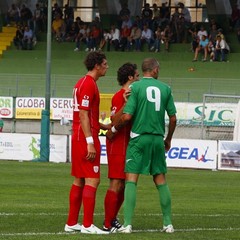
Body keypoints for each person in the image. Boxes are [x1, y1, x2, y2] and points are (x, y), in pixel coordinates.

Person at [106, 58, 177, 234]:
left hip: (138, 138)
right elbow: (173, 118)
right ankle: (167, 223)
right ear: (154, 70)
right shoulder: (166, 89)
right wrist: (168, 139)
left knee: (131, 180)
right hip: (157, 139)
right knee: (160, 180)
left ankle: (127, 224)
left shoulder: (135, 88)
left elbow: (128, 117)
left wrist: (114, 128)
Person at [64, 51, 109, 235]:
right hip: (85, 138)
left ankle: (72, 222)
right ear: (97, 66)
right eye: (105, 64)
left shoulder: (81, 83)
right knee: (93, 179)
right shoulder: (89, 84)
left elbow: (85, 115)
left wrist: (101, 125)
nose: (107, 67)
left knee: (79, 179)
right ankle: (88, 225)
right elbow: (83, 113)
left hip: (78, 135)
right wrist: (91, 141)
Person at [103, 63, 139, 232]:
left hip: (128, 143)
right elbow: (114, 122)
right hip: (117, 142)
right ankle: (107, 223)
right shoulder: (119, 96)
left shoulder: (133, 95)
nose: (139, 78)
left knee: (125, 184)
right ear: (130, 78)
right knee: (116, 182)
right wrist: (125, 105)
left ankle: (113, 218)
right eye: (137, 75)